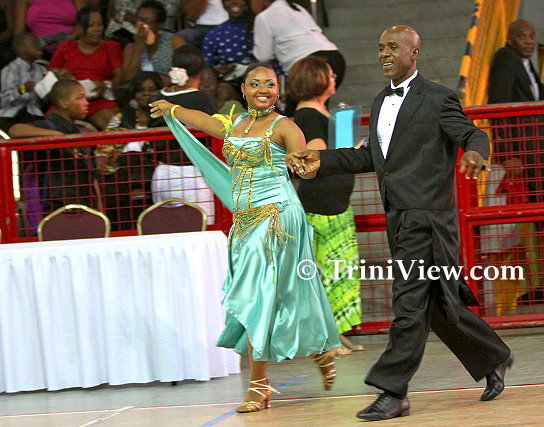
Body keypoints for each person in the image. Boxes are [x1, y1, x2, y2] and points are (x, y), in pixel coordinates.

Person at [286, 26, 513, 422]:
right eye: (380, 48)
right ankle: (494, 356)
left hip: (428, 219)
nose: (384, 54)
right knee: (438, 305)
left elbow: (472, 134)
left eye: (393, 47)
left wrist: (477, 154)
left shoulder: (439, 98)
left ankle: (393, 391)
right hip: (400, 218)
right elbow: (370, 158)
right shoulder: (380, 101)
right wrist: (322, 161)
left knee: (408, 305)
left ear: (414, 53)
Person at [149, 62, 340, 413]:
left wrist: (305, 165)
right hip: (245, 223)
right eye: (255, 84)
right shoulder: (235, 123)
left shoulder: (286, 127)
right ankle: (320, 351)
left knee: (258, 296)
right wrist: (172, 109)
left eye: (270, 84)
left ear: (278, 90)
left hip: (278, 217)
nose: (263, 89)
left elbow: (304, 162)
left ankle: (259, 386)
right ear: (243, 89)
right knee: (282, 294)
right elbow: (202, 120)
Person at [288, 56, 363, 354]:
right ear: (317, 80)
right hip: (321, 204)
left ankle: (337, 332)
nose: (334, 79)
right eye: (330, 75)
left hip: (336, 203)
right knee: (327, 271)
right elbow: (315, 156)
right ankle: (325, 339)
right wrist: (352, 151)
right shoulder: (307, 115)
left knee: (340, 270)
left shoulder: (321, 111)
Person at [148, 44, 218, 223]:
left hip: (162, 174)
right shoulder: (202, 101)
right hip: (192, 174)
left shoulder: (156, 99)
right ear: (200, 72)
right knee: (203, 230)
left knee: (167, 231)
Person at [9, 79, 93, 216]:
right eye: (80, 97)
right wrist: (57, 136)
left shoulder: (80, 130)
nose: (86, 102)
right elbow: (15, 130)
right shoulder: (47, 127)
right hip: (53, 206)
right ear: (63, 102)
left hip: (84, 202)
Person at [250, 0, 345, 114]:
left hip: (309, 65)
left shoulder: (264, 17)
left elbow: (263, 56)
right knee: (317, 106)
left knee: (297, 112)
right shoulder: (297, 8)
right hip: (334, 57)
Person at [97, 71, 163, 230]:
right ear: (134, 94)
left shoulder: (164, 116)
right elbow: (104, 146)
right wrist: (103, 160)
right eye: (141, 90)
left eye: (151, 89)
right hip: (123, 168)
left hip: (153, 166)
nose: (146, 93)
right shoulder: (121, 118)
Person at [48, 5, 123, 130]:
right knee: (54, 121)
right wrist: (60, 73)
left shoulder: (111, 46)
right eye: (91, 25)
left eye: (100, 25)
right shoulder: (66, 46)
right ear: (80, 28)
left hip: (99, 99)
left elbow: (119, 75)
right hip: (69, 100)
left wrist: (106, 85)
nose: (97, 29)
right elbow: (51, 70)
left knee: (111, 123)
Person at [121, 0, 185, 85]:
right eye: (140, 20)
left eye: (148, 21)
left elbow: (185, 74)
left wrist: (156, 80)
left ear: (159, 24)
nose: (142, 26)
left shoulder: (174, 40)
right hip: (141, 91)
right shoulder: (131, 48)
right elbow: (127, 78)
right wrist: (139, 46)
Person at [0, 32, 47, 131]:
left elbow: (45, 100)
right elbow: (3, 101)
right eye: (34, 43)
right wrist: (22, 90)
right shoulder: (10, 70)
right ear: (20, 48)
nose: (39, 47)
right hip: (11, 116)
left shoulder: (42, 70)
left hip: (34, 115)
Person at [488, 20, 543, 104]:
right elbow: (500, 98)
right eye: (521, 36)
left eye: (531, 36)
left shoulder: (526, 62)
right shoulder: (506, 57)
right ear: (509, 40)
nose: (529, 41)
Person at [201, 0, 255, 81]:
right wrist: (220, 71)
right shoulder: (214, 34)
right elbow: (208, 68)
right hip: (228, 81)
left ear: (247, 2)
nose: (234, 2)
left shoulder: (259, 27)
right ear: (223, 4)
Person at [15, 0, 86, 57]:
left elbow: (85, 22)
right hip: (38, 51)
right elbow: (20, 30)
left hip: (71, 48)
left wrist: (68, 40)